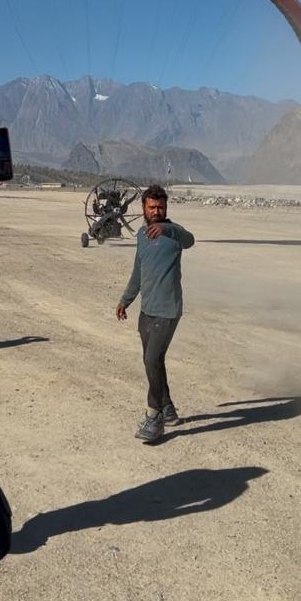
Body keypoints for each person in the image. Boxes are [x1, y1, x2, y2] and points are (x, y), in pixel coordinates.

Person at [116, 184, 194, 442]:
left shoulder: (174, 234)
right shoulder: (141, 235)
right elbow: (138, 272)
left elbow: (190, 239)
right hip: (146, 310)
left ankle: (154, 416)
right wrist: (125, 300)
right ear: (144, 209)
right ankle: (168, 407)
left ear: (166, 208)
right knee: (154, 361)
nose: (157, 212)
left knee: (151, 360)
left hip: (168, 310)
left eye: (161, 207)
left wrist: (168, 227)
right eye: (152, 207)